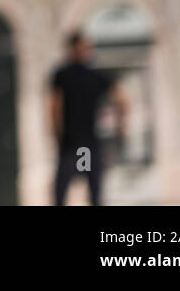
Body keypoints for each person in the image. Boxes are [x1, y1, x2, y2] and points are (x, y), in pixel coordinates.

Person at [48, 31, 128, 205]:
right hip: (85, 144)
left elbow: (54, 109)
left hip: (73, 144)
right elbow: (122, 101)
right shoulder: (92, 75)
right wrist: (120, 126)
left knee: (62, 194)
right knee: (93, 194)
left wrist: (56, 136)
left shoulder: (63, 75)